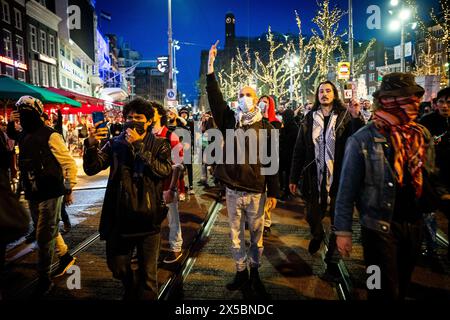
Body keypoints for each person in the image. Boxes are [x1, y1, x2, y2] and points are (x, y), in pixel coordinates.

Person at [334, 73, 437, 299]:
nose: (412, 104)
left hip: (413, 225)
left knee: (401, 285)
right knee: (377, 288)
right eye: (403, 99)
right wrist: (343, 231)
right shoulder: (362, 139)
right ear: (387, 102)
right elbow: (346, 189)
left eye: (412, 99)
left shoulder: (421, 134)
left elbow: (429, 175)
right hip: (376, 230)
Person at [207, 40, 279, 294]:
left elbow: (273, 162)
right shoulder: (230, 121)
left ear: (257, 99)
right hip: (234, 191)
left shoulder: (267, 128)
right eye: (240, 95)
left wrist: (275, 193)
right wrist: (211, 68)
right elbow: (215, 99)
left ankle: (255, 271)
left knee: (257, 238)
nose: (244, 98)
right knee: (235, 235)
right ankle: (241, 271)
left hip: (257, 192)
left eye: (248, 95)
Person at [83, 98, 173, 299]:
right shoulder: (115, 143)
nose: (132, 121)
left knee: (149, 277)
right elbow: (92, 168)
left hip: (148, 218)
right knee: (118, 267)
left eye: (138, 118)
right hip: (119, 217)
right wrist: (90, 145)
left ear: (149, 121)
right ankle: (131, 287)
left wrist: (139, 146)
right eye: (129, 117)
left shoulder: (160, 144)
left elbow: (164, 171)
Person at [289, 81, 364, 280]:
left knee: (338, 222)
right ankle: (316, 234)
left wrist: (357, 117)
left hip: (339, 176)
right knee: (313, 216)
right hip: (314, 177)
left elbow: (358, 139)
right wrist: (293, 177)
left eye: (328, 91)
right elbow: (299, 150)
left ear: (334, 94)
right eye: (321, 91)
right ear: (317, 95)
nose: (324, 94)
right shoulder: (309, 118)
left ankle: (331, 265)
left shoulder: (345, 117)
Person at [7, 96, 77, 297]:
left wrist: (69, 187)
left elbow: (68, 163)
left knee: (44, 235)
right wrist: (12, 123)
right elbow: (15, 137)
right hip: (33, 192)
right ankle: (64, 257)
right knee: (47, 230)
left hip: (50, 192)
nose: (23, 117)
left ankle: (44, 278)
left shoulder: (51, 135)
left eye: (26, 112)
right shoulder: (24, 135)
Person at [151, 103, 185, 264]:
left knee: (172, 218)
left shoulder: (171, 135)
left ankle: (176, 248)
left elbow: (178, 164)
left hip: (166, 186)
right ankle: (150, 251)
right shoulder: (144, 135)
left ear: (160, 115)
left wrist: (172, 188)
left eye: (152, 111)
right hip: (148, 186)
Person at [420, 87, 450, 260]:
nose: (445, 106)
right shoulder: (427, 122)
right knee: (428, 215)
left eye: (448, 102)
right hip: (432, 177)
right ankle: (431, 250)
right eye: (441, 102)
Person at [258, 95, 281, 236]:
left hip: (269, 162)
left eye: (266, 102)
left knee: (267, 196)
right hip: (255, 164)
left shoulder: (276, 123)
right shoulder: (253, 120)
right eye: (261, 101)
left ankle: (266, 222)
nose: (262, 104)